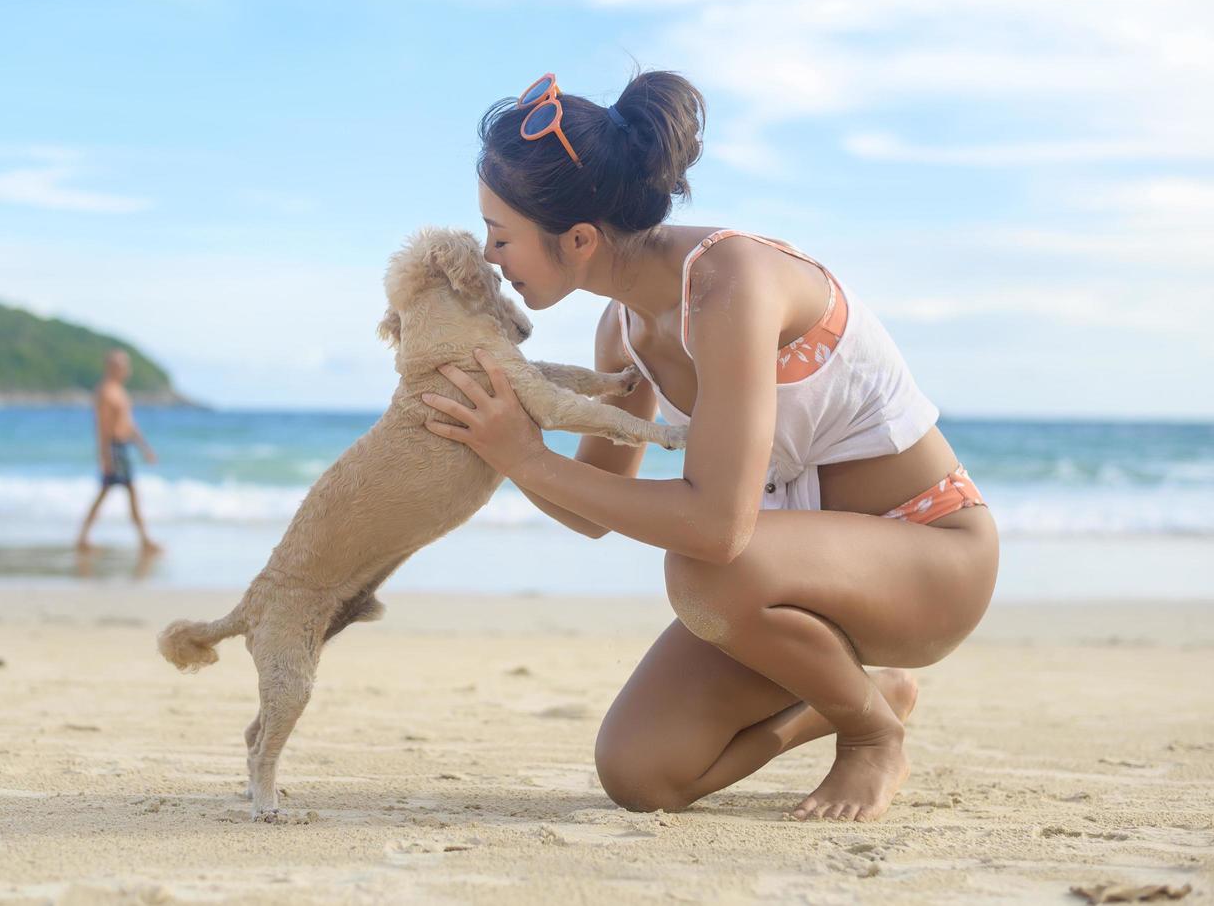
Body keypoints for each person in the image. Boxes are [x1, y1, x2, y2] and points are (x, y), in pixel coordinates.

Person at [420, 71, 999, 823]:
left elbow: (717, 526)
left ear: (580, 239)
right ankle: (853, 694)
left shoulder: (731, 285)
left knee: (701, 566)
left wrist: (526, 461)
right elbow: (592, 510)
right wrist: (508, 441)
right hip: (797, 588)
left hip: (930, 559)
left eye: (500, 236)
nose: (492, 258)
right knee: (641, 773)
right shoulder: (620, 327)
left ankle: (869, 734)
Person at [76, 349, 161, 552]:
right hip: (113, 448)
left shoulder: (120, 391)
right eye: (124, 365)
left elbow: (129, 424)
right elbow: (102, 427)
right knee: (120, 492)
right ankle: (143, 539)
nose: (128, 370)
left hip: (122, 447)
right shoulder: (105, 392)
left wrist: (144, 448)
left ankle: (84, 538)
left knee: (114, 493)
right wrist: (104, 456)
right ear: (113, 367)